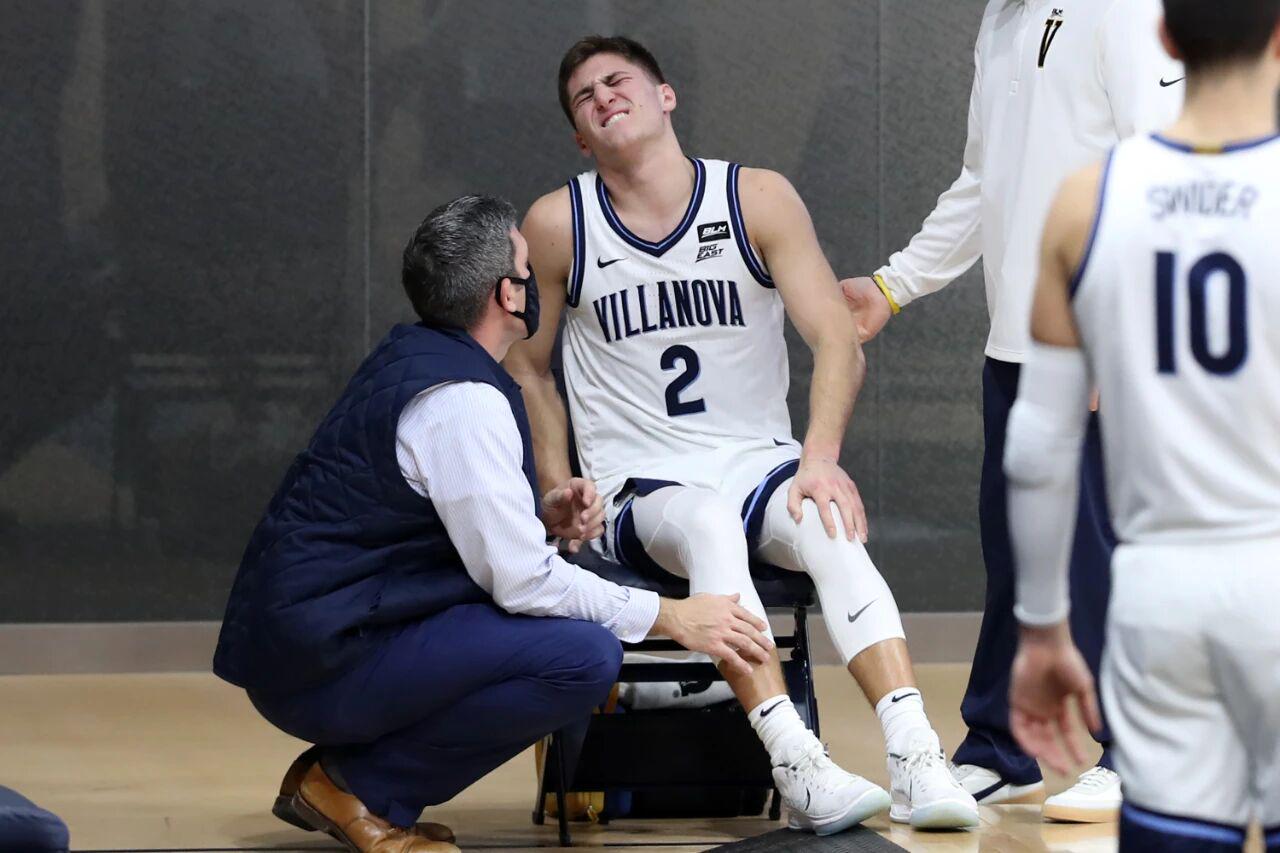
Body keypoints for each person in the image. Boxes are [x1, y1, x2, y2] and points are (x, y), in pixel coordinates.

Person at [504, 35, 979, 833]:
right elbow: (529, 367)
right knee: (706, 521)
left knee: (827, 521)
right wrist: (558, 485)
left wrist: (819, 459)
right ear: (580, 137)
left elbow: (836, 336)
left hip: (758, 463)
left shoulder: (755, 197)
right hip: (641, 487)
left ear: (666, 96)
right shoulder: (559, 223)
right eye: (583, 97)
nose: (602, 96)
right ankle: (795, 760)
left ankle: (914, 751)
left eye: (617, 80)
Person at [212, 195, 772, 853]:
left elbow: (416, 515)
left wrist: (534, 517)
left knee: (564, 635)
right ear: (508, 295)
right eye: (527, 269)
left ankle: (355, 778)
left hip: (315, 640)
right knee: (582, 656)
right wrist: (671, 615)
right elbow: (523, 582)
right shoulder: (462, 401)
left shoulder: (418, 357)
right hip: (324, 662)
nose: (534, 283)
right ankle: (357, 786)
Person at [841, 0, 1184, 821]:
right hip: (1018, 347)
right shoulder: (999, 19)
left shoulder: (1124, 11)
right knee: (1016, 552)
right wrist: (893, 285)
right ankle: (1002, 746)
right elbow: (981, 182)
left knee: (1100, 557)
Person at [1008, 1, 1280, 849]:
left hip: (1160, 591)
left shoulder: (1084, 200)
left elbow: (1039, 447)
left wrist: (1043, 626)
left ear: (1165, 37)